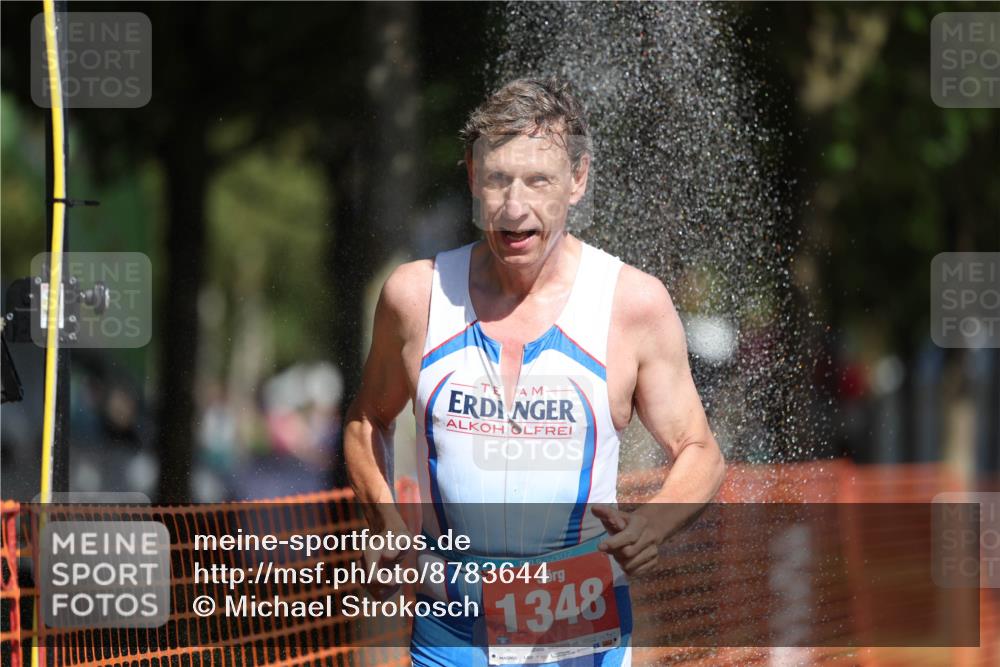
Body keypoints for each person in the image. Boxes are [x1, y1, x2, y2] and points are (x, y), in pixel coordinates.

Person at [345, 77, 725, 667]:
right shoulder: (415, 296)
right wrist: (385, 518)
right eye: (497, 180)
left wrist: (653, 525)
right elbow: (366, 420)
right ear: (473, 177)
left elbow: (699, 448)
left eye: (538, 181)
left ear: (578, 180)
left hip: (580, 631)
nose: (513, 207)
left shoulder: (632, 305)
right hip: (451, 635)